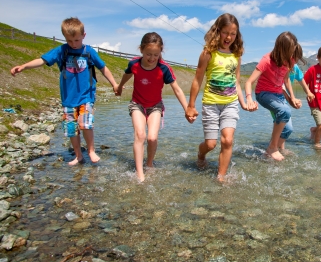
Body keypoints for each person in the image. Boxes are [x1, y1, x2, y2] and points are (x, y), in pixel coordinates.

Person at [10, 17, 118, 165]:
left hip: (86, 96)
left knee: (85, 123)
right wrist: (24, 66)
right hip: (68, 98)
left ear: (83, 36)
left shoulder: (89, 52)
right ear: (65, 38)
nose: (74, 44)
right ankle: (78, 155)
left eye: (77, 40)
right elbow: (42, 60)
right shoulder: (61, 51)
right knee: (71, 128)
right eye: (69, 41)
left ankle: (91, 150)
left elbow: (103, 68)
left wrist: (114, 84)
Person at [185, 13, 257, 182]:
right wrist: (191, 105)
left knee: (227, 140)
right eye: (225, 32)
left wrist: (244, 102)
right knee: (211, 144)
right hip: (211, 103)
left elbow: (237, 82)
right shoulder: (208, 53)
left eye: (233, 33)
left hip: (230, 103)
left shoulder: (236, 55)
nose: (229, 37)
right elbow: (197, 79)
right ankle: (201, 154)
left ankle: (221, 177)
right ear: (217, 31)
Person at [115, 32, 193, 182]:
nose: (152, 58)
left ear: (161, 52)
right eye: (148, 54)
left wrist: (187, 108)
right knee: (140, 135)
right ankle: (140, 174)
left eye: (155, 55)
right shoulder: (134, 64)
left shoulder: (164, 68)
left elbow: (177, 89)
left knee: (152, 137)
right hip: (137, 104)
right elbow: (127, 74)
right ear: (141, 50)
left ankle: (149, 163)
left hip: (155, 106)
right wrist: (119, 86)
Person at [244, 31, 302, 161]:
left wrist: (292, 97)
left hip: (278, 95)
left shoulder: (289, 60)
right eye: (289, 51)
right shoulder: (266, 60)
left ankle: (272, 151)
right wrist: (249, 98)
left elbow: (286, 79)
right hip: (263, 94)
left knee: (288, 129)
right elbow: (249, 82)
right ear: (281, 48)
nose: (291, 55)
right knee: (284, 111)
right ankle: (272, 148)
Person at [276, 46, 314, 150]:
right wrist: (292, 100)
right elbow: (282, 88)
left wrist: (309, 92)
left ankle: (280, 149)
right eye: (292, 59)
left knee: (282, 126)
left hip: (283, 101)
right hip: (275, 100)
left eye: (296, 60)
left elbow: (301, 80)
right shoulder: (281, 68)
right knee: (287, 127)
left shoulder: (295, 68)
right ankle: (273, 149)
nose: (294, 62)